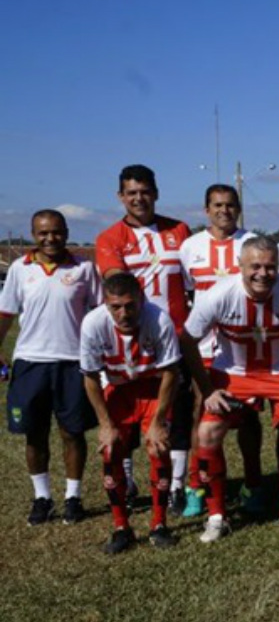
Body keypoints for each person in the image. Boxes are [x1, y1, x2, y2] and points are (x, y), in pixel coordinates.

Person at [180, 237, 279, 542]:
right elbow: (188, 341)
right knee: (207, 433)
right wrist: (207, 391)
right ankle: (217, 516)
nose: (263, 273)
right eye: (255, 266)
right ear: (240, 266)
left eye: (270, 266)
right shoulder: (217, 295)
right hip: (232, 372)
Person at [94, 164, 194, 516]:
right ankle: (129, 481)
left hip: (175, 338)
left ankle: (176, 487)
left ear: (156, 192)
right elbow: (118, 285)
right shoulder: (109, 238)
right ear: (121, 196)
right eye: (131, 192)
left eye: (145, 191)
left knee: (177, 415)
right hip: (130, 343)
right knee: (126, 418)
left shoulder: (179, 231)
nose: (139, 198)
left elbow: (193, 278)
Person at [0, 210, 100, 525]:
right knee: (35, 434)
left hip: (73, 362)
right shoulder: (19, 269)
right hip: (30, 363)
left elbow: (99, 314)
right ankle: (42, 498)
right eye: (43, 233)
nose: (50, 238)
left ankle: (73, 497)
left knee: (72, 433)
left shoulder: (84, 268)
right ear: (33, 234)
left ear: (66, 232)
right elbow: (6, 314)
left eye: (56, 232)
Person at [80, 273, 181, 552]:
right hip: (118, 390)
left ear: (141, 299)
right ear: (105, 303)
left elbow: (171, 372)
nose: (123, 313)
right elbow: (89, 376)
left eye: (129, 305)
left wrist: (159, 421)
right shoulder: (93, 323)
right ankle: (121, 527)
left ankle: (159, 524)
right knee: (111, 450)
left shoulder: (158, 320)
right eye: (115, 307)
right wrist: (104, 424)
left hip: (152, 388)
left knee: (158, 448)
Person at [179, 185, 262, 519]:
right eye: (217, 205)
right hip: (204, 347)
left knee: (249, 415)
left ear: (238, 208)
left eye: (230, 205)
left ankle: (252, 483)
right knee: (202, 409)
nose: (224, 211)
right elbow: (187, 291)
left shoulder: (252, 242)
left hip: (245, 345)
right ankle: (197, 486)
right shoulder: (190, 247)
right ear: (206, 209)